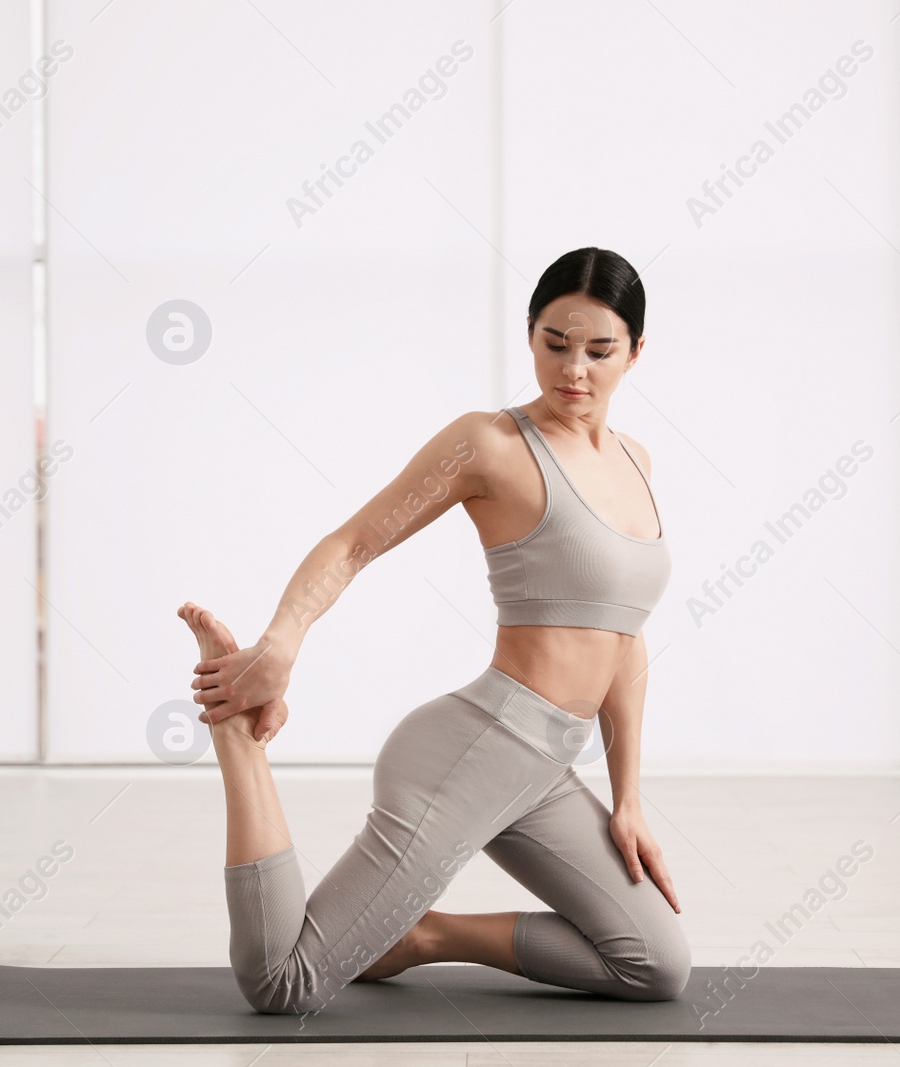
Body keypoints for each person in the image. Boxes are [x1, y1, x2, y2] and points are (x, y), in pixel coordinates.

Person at [176, 246, 690, 1015]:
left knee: (656, 964)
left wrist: (628, 798)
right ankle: (237, 740)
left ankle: (427, 935)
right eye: (554, 344)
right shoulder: (493, 444)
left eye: (599, 350)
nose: (573, 369)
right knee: (283, 984)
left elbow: (625, 638)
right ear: (530, 336)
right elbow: (354, 541)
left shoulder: (636, 462)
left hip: (546, 771)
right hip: (475, 751)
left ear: (636, 352)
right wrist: (282, 642)